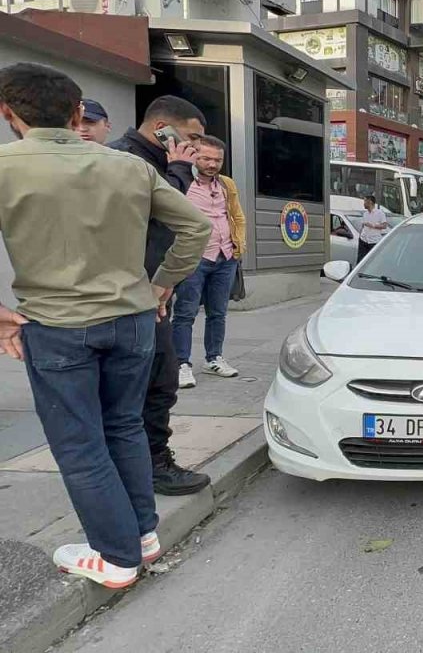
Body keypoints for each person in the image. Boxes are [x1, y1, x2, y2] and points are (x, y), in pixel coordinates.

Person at [0, 63, 210, 587]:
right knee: (123, 427)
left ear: (8, 114)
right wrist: (161, 286)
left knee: (79, 442)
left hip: (57, 323)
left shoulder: (5, 165)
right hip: (133, 320)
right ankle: (142, 535)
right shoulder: (127, 167)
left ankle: (116, 559)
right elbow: (196, 226)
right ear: (76, 114)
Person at [108, 95, 211, 495]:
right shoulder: (124, 160)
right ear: (161, 128)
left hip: (153, 291)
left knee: (160, 381)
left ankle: (149, 463)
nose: (197, 147)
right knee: (143, 385)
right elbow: (157, 213)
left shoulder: (156, 162)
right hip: (130, 295)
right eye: (192, 136)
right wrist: (181, 170)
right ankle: (146, 468)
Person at [172, 135, 246, 389]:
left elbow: (237, 215)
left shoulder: (226, 184)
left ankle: (214, 357)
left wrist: (239, 248)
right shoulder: (182, 182)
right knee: (185, 312)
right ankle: (181, 363)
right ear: (194, 156)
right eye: (206, 158)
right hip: (194, 256)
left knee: (218, 313)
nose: (212, 164)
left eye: (218, 159)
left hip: (225, 256)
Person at [358, 195, 389, 261]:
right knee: (361, 260)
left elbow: (384, 225)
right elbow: (363, 226)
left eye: (365, 201)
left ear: (370, 202)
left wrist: (373, 225)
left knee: (372, 261)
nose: (364, 204)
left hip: (374, 241)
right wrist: (360, 235)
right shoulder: (365, 214)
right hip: (363, 240)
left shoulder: (380, 213)